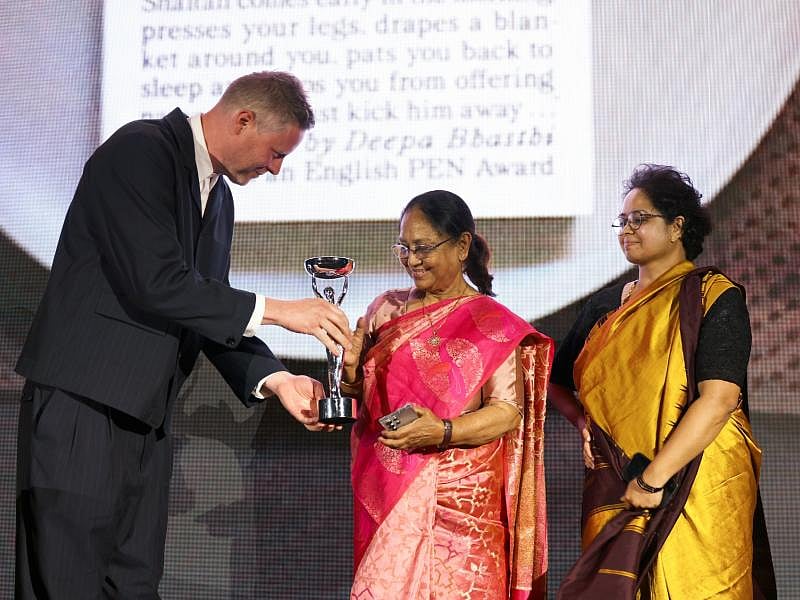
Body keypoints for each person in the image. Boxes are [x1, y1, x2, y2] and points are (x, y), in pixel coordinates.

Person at [15, 71, 353, 598]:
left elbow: (205, 305)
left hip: (144, 417)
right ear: (244, 120)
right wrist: (282, 311)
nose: (276, 168)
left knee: (133, 582)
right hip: (85, 405)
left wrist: (277, 378)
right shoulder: (139, 152)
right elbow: (158, 283)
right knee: (68, 580)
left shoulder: (219, 199)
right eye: (274, 152)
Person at [549, 164, 775, 599]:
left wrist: (653, 480)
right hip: (618, 483)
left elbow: (721, 398)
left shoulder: (711, 295)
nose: (626, 230)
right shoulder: (603, 308)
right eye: (622, 221)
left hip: (698, 483)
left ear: (677, 227)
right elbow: (556, 382)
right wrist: (583, 424)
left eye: (640, 219)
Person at [341, 190, 553, 599]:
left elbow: (507, 411)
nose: (411, 260)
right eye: (403, 248)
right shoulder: (386, 310)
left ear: (461, 246)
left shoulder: (491, 323)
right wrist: (350, 373)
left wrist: (442, 429)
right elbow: (366, 400)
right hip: (395, 499)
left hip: (464, 510)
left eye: (422, 248)